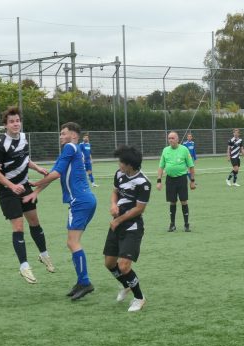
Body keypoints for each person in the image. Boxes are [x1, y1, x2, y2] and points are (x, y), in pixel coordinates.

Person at [23, 122, 97, 301]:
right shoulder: (72, 150)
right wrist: (36, 192)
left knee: (73, 243)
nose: (60, 137)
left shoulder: (70, 147)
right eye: (60, 134)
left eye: (63, 133)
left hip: (79, 201)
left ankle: (85, 282)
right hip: (84, 201)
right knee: (72, 242)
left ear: (73, 136)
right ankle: (81, 281)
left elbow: (54, 174)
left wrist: (35, 184)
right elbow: (56, 173)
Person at [0, 106, 55, 284]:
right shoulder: (0, 144)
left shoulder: (24, 138)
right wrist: (12, 186)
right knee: (18, 227)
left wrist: (38, 168)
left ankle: (44, 255)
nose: (15, 124)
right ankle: (24, 266)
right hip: (7, 191)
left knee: (35, 222)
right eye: (11, 121)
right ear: (5, 125)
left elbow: (25, 160)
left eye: (17, 120)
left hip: (25, 187)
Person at [105, 145, 150, 312]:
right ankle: (126, 285)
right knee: (109, 264)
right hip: (116, 224)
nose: (119, 165)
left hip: (132, 227)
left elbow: (139, 209)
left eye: (121, 162)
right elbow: (115, 192)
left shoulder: (144, 183)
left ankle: (139, 297)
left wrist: (119, 220)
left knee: (124, 266)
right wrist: (113, 204)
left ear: (130, 165)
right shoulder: (119, 175)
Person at [156, 131, 196, 232]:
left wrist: (192, 181)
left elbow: (191, 166)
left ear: (177, 139)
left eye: (173, 138)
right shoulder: (165, 150)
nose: (171, 140)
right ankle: (172, 224)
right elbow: (161, 167)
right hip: (170, 179)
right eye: (169, 138)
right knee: (172, 202)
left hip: (181, 179)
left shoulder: (184, 149)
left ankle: (186, 224)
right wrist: (159, 181)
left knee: (183, 201)